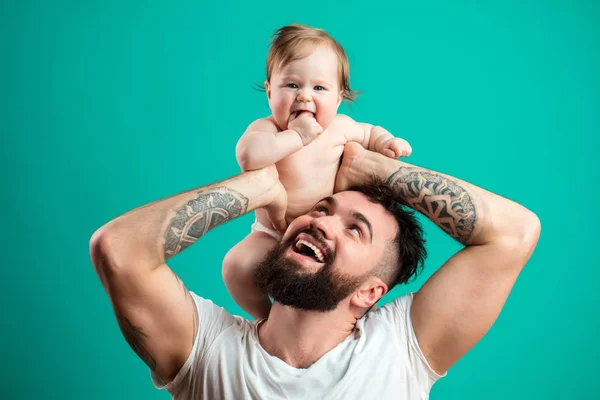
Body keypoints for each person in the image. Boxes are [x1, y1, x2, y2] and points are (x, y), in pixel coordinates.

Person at [90, 142, 541, 399]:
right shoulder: (206, 350)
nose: (321, 222)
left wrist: (373, 168)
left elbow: (515, 233)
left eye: (355, 229)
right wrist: (261, 185)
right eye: (322, 210)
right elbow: (118, 250)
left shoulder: (400, 350)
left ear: (370, 292)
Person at [223, 24, 412, 319]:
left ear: (338, 99)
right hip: (273, 231)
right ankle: (265, 317)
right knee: (237, 265)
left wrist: (387, 142)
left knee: (346, 280)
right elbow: (249, 157)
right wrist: (296, 137)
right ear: (270, 91)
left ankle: (333, 324)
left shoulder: (339, 128)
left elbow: (370, 132)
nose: (304, 97)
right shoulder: (269, 129)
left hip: (326, 230)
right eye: (292, 85)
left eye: (319, 88)